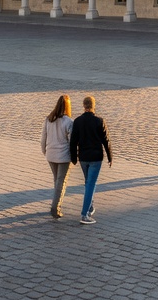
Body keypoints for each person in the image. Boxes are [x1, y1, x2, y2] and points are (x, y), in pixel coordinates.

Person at [69, 95, 112, 224]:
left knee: (88, 182)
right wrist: (110, 157)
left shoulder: (77, 121)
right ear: (94, 106)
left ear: (84, 106)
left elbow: (73, 142)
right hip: (96, 157)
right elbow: (106, 141)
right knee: (90, 184)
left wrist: (74, 158)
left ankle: (90, 206)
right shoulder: (99, 121)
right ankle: (85, 214)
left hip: (83, 157)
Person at [41, 94, 74, 218]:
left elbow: (43, 138)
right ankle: (55, 208)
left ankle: (56, 203)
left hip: (51, 154)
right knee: (61, 182)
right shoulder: (69, 122)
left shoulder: (49, 119)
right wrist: (73, 156)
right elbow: (71, 142)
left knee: (57, 180)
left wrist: (45, 151)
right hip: (63, 156)